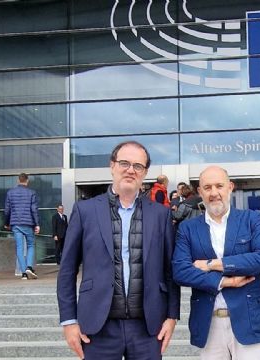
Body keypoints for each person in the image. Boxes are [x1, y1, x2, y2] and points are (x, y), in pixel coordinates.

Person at [57, 141, 180, 360]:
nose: (131, 170)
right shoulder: (85, 210)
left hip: (148, 327)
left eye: (138, 166)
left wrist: (172, 316)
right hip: (97, 328)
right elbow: (67, 269)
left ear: (145, 172)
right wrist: (68, 321)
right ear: (112, 165)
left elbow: (170, 271)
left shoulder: (161, 215)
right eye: (124, 163)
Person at [172, 165, 260, 359]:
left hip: (248, 319)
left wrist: (211, 264)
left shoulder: (252, 219)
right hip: (208, 323)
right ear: (200, 192)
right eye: (207, 187)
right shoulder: (188, 228)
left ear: (230, 187)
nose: (214, 193)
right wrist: (225, 282)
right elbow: (180, 270)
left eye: (219, 185)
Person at [4, 173, 40, 280]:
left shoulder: (10, 193)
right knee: (30, 245)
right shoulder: (31, 193)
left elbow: (7, 209)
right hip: (28, 223)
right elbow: (34, 209)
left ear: (18, 180)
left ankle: (24, 273)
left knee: (19, 247)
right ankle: (29, 266)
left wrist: (7, 223)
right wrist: (37, 224)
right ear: (27, 181)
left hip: (15, 223)